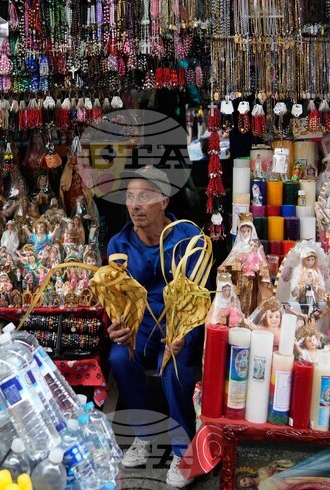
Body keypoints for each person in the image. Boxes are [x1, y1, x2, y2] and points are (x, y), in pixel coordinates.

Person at [106, 166, 201, 488]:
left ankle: (183, 449)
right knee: (119, 357)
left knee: (173, 365)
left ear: (163, 200)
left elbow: (199, 295)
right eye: (130, 197)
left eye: (144, 196)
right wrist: (116, 326)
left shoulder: (188, 238)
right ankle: (145, 434)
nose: (135, 204)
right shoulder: (119, 244)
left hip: (181, 320)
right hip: (142, 323)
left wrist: (184, 332)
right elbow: (115, 298)